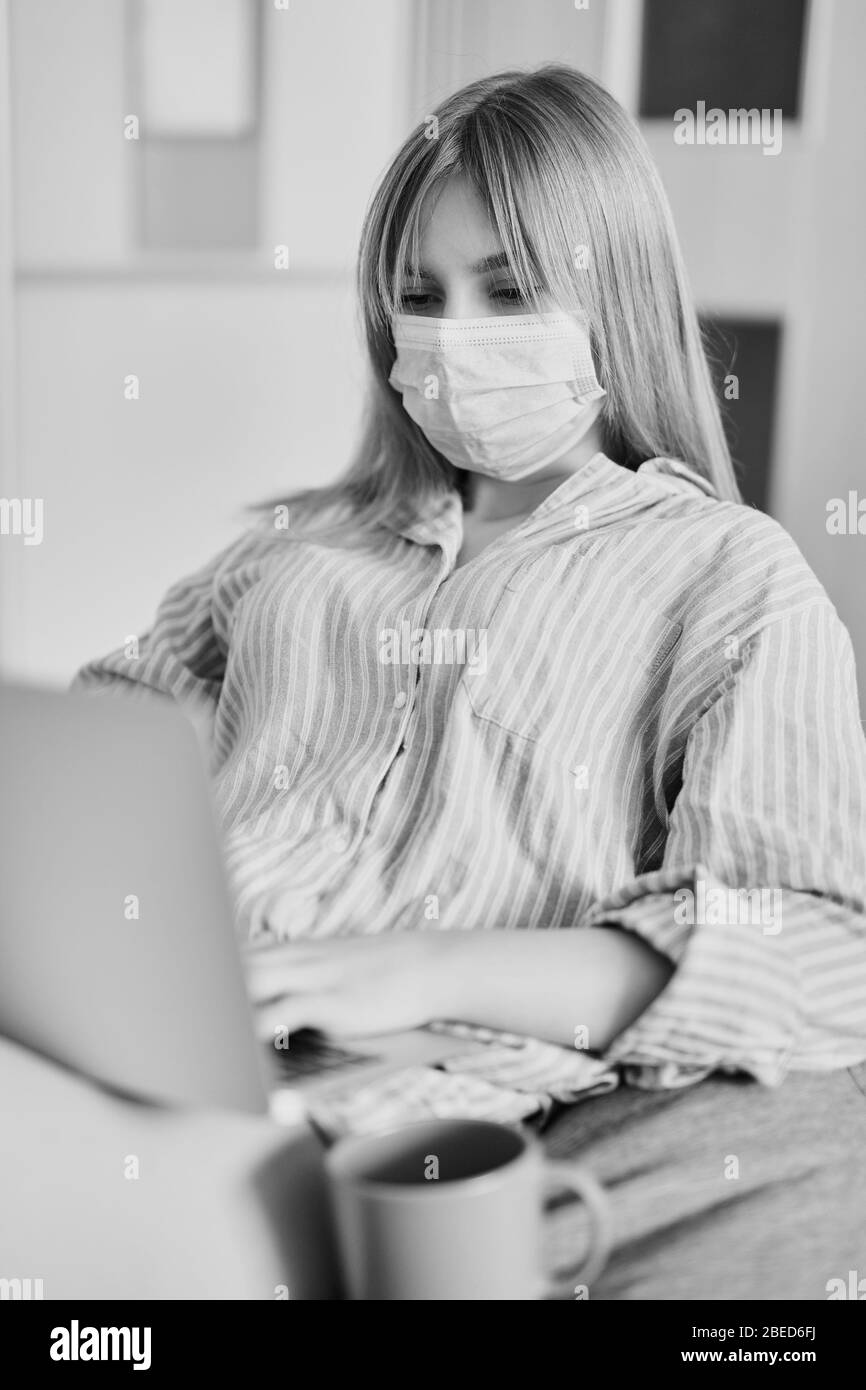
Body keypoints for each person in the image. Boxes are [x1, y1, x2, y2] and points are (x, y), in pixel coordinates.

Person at [74, 66, 866, 1296]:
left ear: (615, 293)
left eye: (508, 288)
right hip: (164, 1032)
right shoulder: (298, 548)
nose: (453, 333)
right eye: (416, 295)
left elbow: (811, 946)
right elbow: (99, 746)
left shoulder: (725, 574)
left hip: (402, 1113)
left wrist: (425, 965)